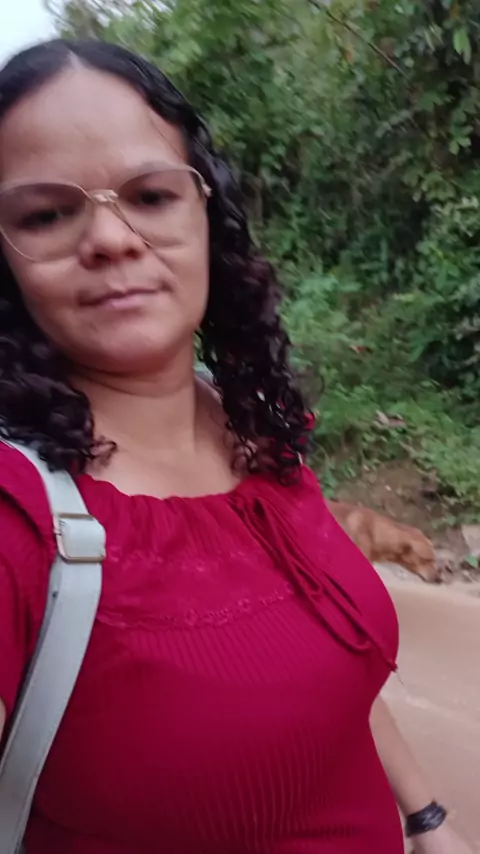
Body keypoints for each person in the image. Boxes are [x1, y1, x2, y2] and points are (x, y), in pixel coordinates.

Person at [0, 39, 472, 854]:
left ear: (206, 213)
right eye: (45, 214)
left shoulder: (261, 436)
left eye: (150, 195)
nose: (110, 238)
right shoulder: (17, 519)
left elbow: (336, 669)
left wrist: (428, 818)